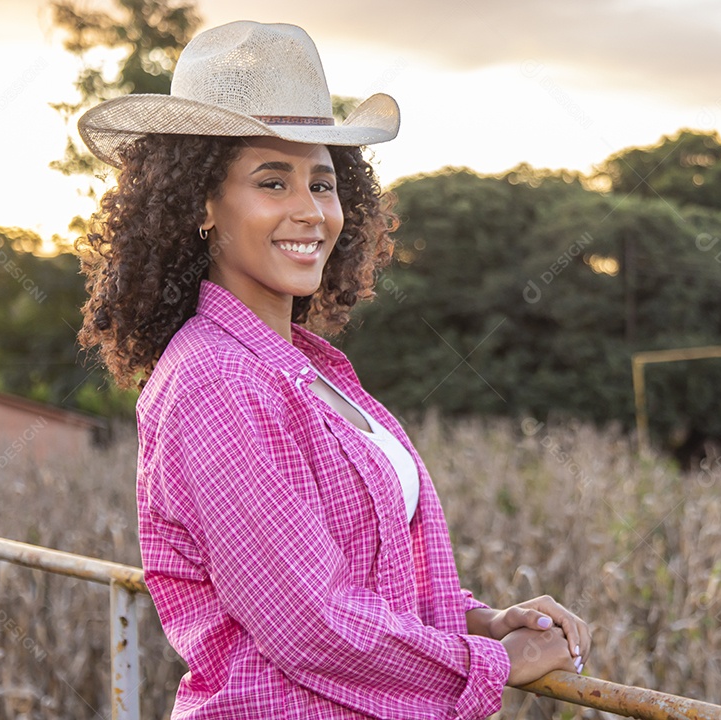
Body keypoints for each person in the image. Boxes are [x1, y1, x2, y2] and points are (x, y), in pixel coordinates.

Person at [77, 21, 590, 719]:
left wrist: (481, 623)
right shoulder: (217, 381)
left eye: (322, 182)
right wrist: (498, 664)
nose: (309, 211)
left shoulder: (306, 369)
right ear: (201, 204)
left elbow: (364, 576)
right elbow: (311, 622)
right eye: (272, 180)